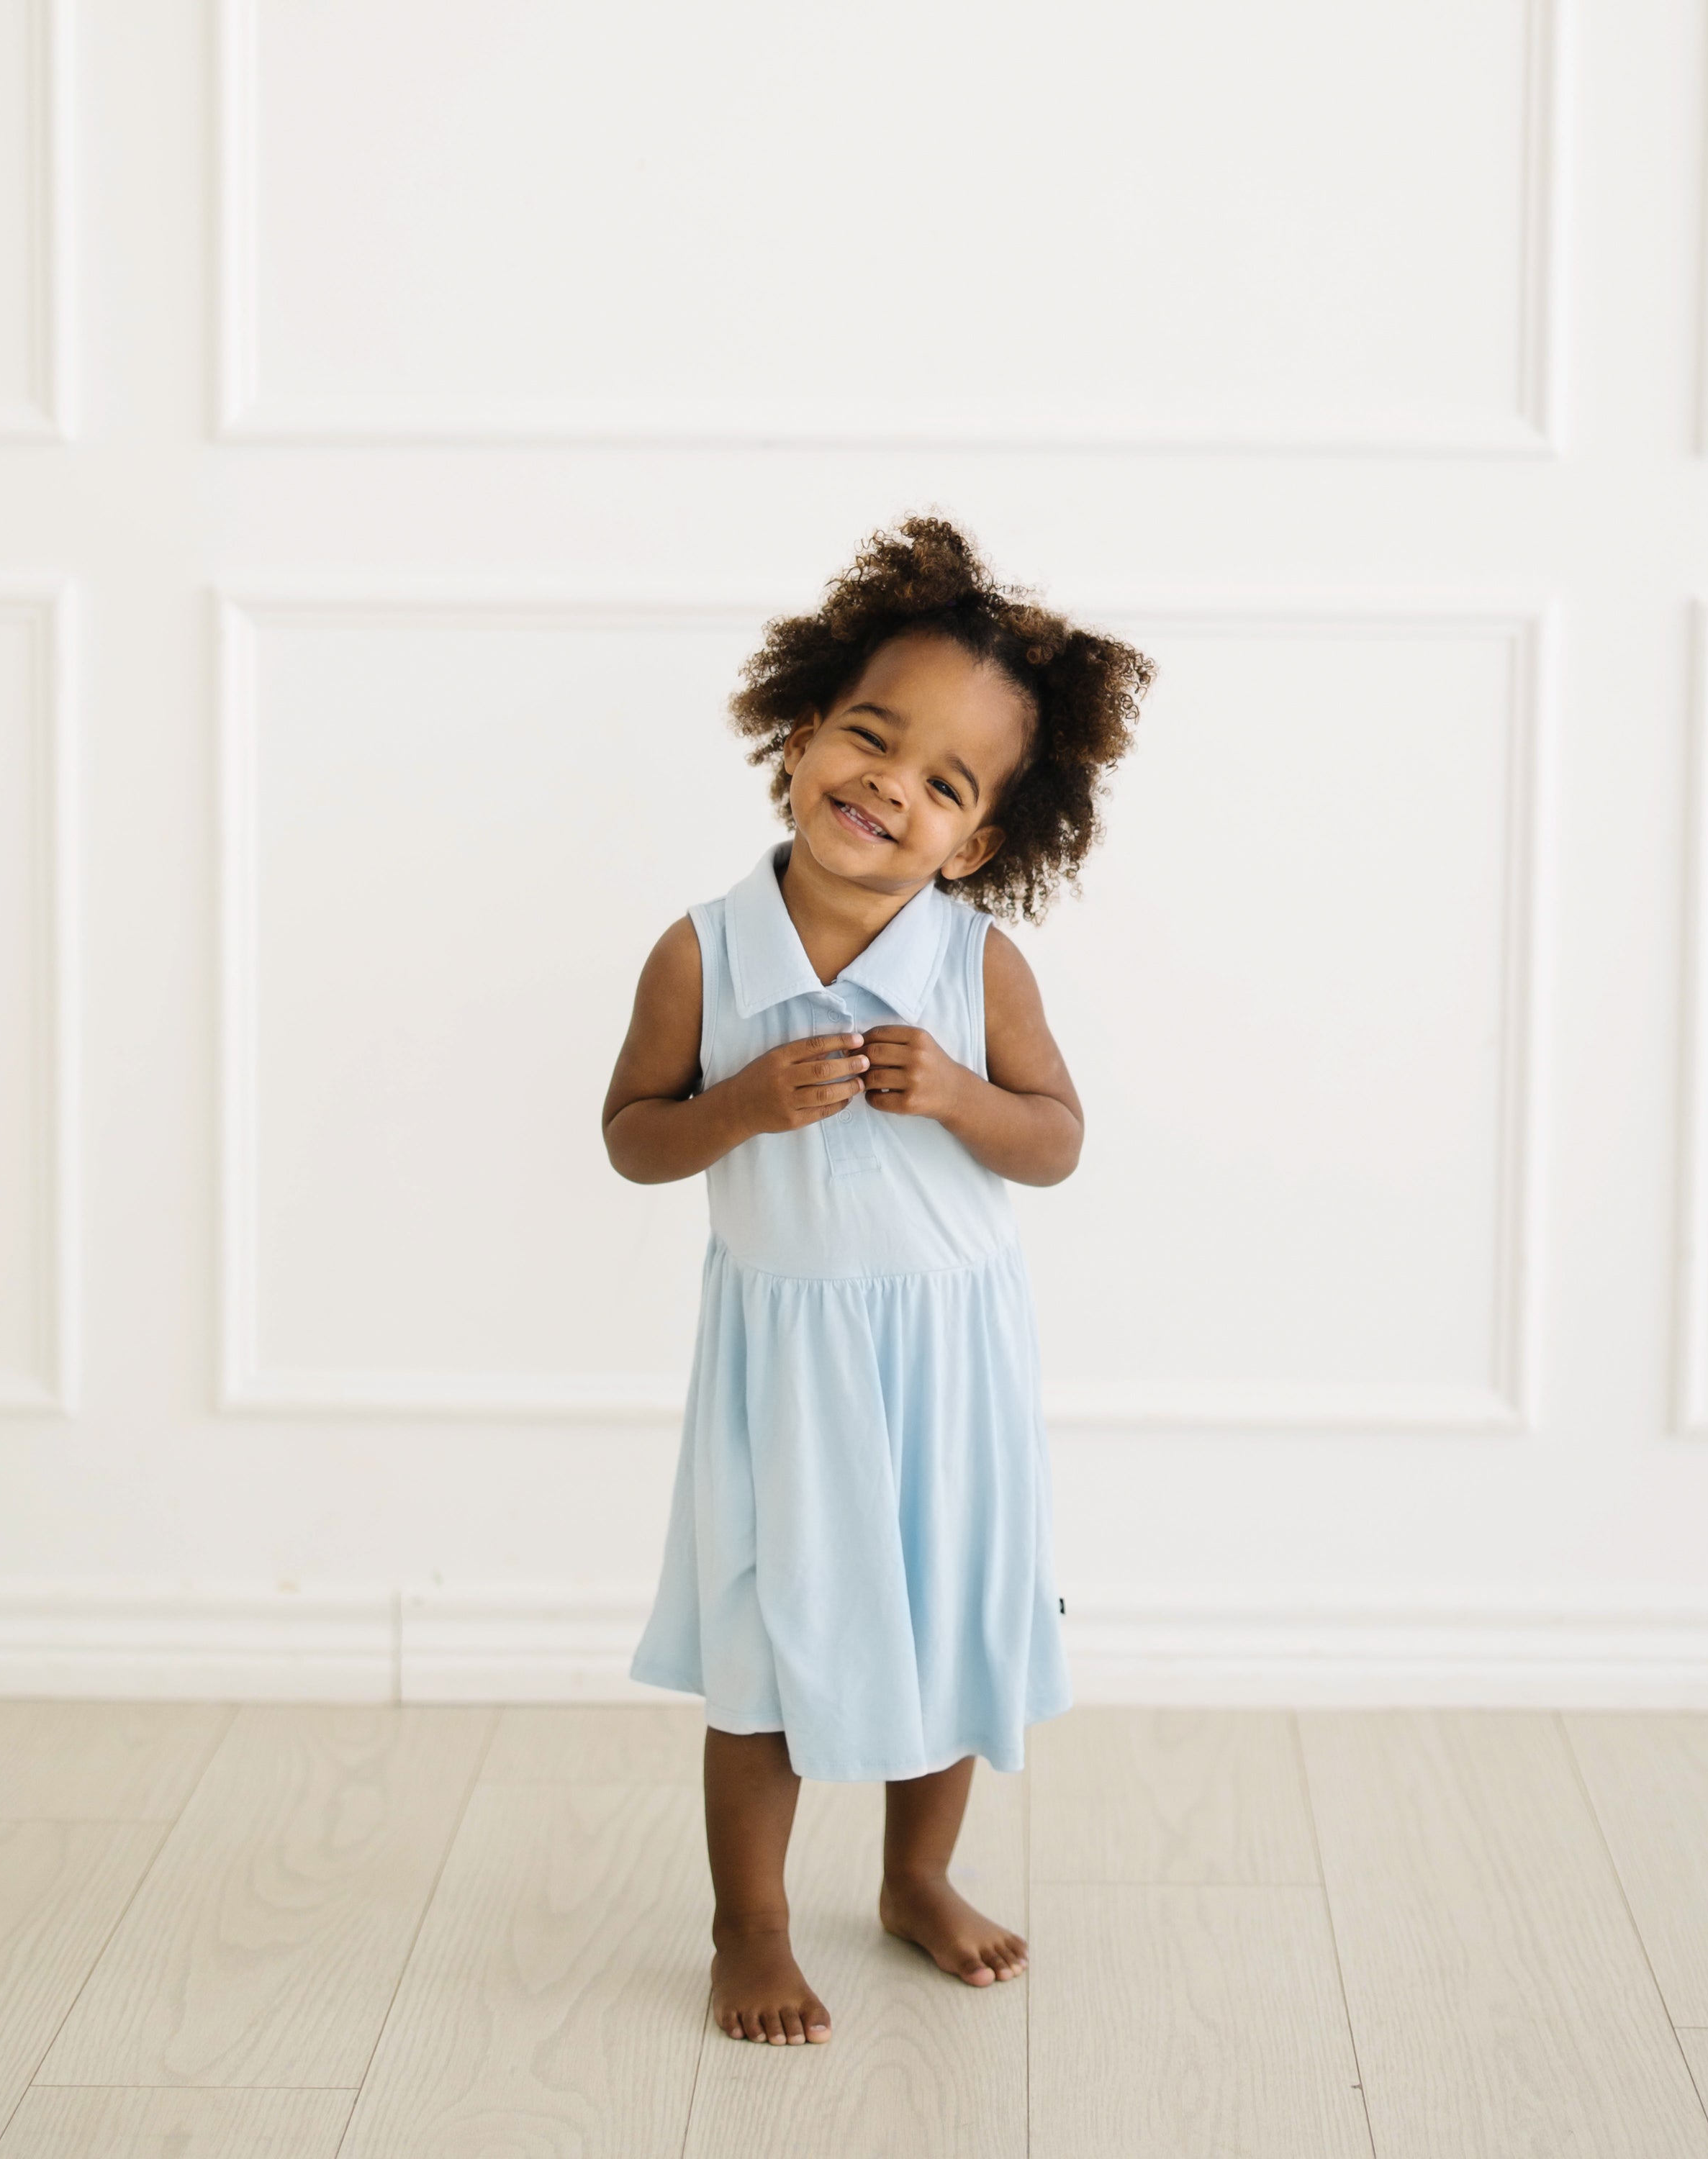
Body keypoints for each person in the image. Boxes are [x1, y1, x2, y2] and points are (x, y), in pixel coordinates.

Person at [602, 514, 1152, 2046]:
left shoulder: (979, 971)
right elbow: (634, 1140)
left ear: (974, 842)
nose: (889, 786)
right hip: (788, 1364)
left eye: (945, 783)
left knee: (951, 1613)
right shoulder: (701, 957)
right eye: (869, 735)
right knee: (768, 1637)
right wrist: (737, 1107)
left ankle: (920, 1877)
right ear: (798, 731)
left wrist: (969, 1101)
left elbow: (1056, 1142)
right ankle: (752, 1920)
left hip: (951, 1358)